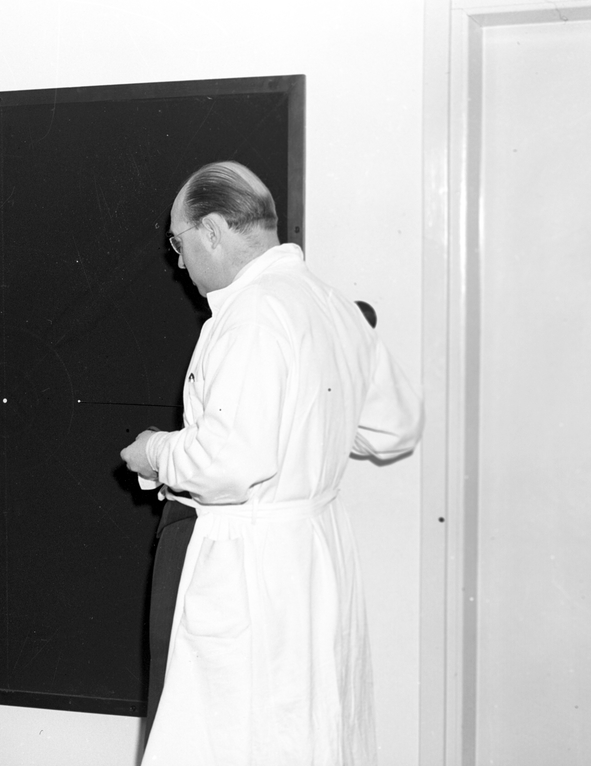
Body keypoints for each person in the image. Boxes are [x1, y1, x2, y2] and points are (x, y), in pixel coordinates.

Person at [120, 161, 423, 765]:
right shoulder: (327, 301)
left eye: (179, 243)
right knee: (305, 734)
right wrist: (316, 426)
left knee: (239, 739)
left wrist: (152, 449)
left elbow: (226, 464)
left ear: (211, 231)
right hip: (315, 557)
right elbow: (396, 425)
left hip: (251, 566)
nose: (179, 264)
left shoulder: (252, 313)